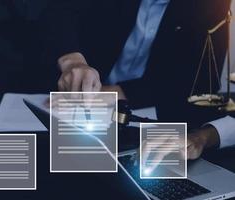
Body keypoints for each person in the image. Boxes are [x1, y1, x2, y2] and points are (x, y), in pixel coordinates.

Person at [40, 0, 235, 159]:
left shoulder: (210, 5)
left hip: (145, 113)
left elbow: (198, 82)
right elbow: (59, 10)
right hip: (67, 93)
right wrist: (72, 60)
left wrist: (118, 92)